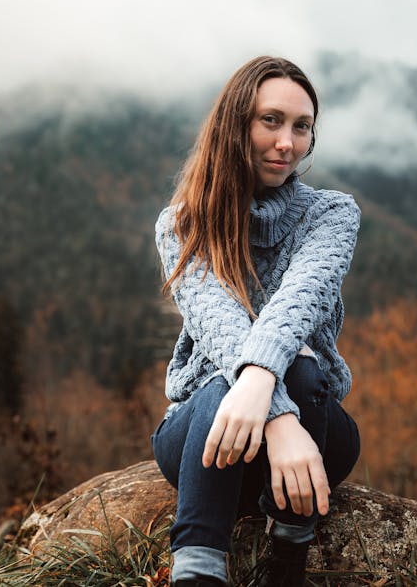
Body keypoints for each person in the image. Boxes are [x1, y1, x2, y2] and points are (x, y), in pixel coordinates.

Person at [152, 55, 361, 587]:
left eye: (302, 126)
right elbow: (222, 328)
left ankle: (288, 556)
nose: (287, 143)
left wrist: (276, 406)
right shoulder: (183, 223)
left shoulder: (332, 215)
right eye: (271, 120)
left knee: (302, 364)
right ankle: (197, 570)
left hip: (312, 434)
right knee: (227, 379)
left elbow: (294, 309)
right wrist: (279, 420)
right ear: (236, 123)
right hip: (207, 437)